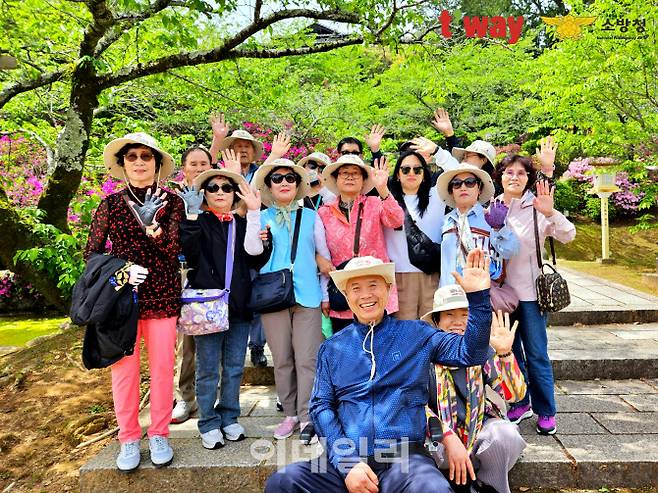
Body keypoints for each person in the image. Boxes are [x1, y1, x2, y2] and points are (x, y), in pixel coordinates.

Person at [264, 250, 494, 493]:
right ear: (346, 295)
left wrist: (478, 297)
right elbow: (320, 406)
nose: (366, 295)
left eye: (373, 285)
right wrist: (348, 464)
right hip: (345, 462)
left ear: (388, 289)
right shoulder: (332, 348)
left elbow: (470, 353)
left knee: (433, 489)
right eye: (356, 288)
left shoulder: (417, 334)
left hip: (405, 461)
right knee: (283, 482)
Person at [85, 132, 184, 471]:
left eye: (146, 156)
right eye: (132, 157)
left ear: (157, 164)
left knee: (161, 369)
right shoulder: (110, 205)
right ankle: (128, 437)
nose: (139, 162)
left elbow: (173, 251)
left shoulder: (172, 202)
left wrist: (152, 228)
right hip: (121, 298)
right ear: (123, 164)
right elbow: (92, 254)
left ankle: (159, 432)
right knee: (123, 371)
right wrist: (123, 272)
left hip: (163, 295)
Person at [178, 167, 270, 449]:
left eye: (226, 188)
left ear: (234, 194)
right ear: (204, 194)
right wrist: (191, 216)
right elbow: (187, 252)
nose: (220, 192)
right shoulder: (199, 221)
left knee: (232, 368)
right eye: (213, 188)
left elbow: (256, 258)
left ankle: (229, 416)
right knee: (207, 368)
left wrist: (256, 219)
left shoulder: (241, 224)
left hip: (239, 307)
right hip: (207, 308)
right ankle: (208, 422)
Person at [494, 154, 576, 435]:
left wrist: (551, 212)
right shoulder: (492, 207)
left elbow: (569, 234)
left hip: (530, 295)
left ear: (529, 178)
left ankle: (546, 410)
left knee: (537, 354)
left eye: (520, 173)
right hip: (501, 296)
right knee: (509, 353)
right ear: (500, 176)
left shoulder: (536, 206)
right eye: (508, 172)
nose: (514, 177)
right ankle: (519, 401)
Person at [252, 158, 331, 443]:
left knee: (307, 358)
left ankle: (308, 414)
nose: (284, 182)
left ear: (298, 185)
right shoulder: (260, 218)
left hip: (307, 295)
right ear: (269, 186)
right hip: (273, 296)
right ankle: (289, 413)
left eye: (290, 178)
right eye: (277, 178)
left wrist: (323, 295)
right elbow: (251, 252)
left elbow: (324, 259)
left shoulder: (312, 216)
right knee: (282, 358)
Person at [423, 285, 527, 493]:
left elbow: (514, 394)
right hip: (439, 439)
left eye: (465, 314)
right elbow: (417, 405)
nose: (458, 321)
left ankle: (489, 486)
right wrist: (448, 437)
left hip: (478, 431)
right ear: (437, 321)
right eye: (449, 315)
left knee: (505, 435)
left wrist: (505, 353)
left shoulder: (482, 351)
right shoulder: (424, 355)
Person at [318, 154, 404, 332]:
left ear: (364, 180)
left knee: (381, 347)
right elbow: (316, 245)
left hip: (375, 289)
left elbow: (396, 220)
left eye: (356, 173)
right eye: (344, 173)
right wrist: (319, 259)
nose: (350, 176)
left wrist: (383, 189)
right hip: (344, 290)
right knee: (347, 351)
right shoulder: (324, 212)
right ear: (336, 179)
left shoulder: (375, 203)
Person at [210, 114, 269, 368]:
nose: (242, 150)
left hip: (255, 240)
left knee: (257, 296)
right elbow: (203, 172)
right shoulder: (222, 176)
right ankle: (227, 346)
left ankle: (256, 346)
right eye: (237, 146)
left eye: (247, 147)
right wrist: (217, 138)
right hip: (224, 246)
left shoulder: (263, 173)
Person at [171, 145, 215, 424]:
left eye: (204, 164)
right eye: (194, 164)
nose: (199, 169)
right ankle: (184, 398)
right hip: (183, 274)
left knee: (213, 340)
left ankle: (212, 397)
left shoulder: (218, 194)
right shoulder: (174, 200)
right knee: (185, 343)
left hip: (214, 277)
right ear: (184, 168)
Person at [436, 163, 520, 288]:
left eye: (470, 182)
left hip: (484, 293)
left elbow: (512, 251)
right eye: (456, 183)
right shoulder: (445, 221)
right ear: (451, 191)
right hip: (451, 295)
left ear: (479, 188)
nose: (463, 187)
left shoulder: (492, 217)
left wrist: (499, 228)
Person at [385, 151, 445, 320]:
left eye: (417, 170)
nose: (411, 173)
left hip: (430, 274)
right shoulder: (386, 199)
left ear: (425, 174)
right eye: (405, 169)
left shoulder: (437, 197)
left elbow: (456, 170)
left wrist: (439, 148)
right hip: (399, 275)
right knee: (405, 333)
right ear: (397, 175)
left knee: (431, 330)